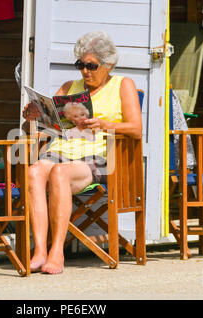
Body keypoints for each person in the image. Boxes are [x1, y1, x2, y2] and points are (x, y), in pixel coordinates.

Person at [22, 30, 142, 274]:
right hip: (61, 151)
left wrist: (106, 125)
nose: (85, 71)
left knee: (59, 173)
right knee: (34, 171)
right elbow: (44, 130)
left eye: (91, 66)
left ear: (108, 65)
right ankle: (39, 252)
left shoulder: (123, 85)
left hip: (97, 157)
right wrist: (31, 119)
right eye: (81, 65)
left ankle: (57, 252)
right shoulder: (69, 88)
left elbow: (136, 129)